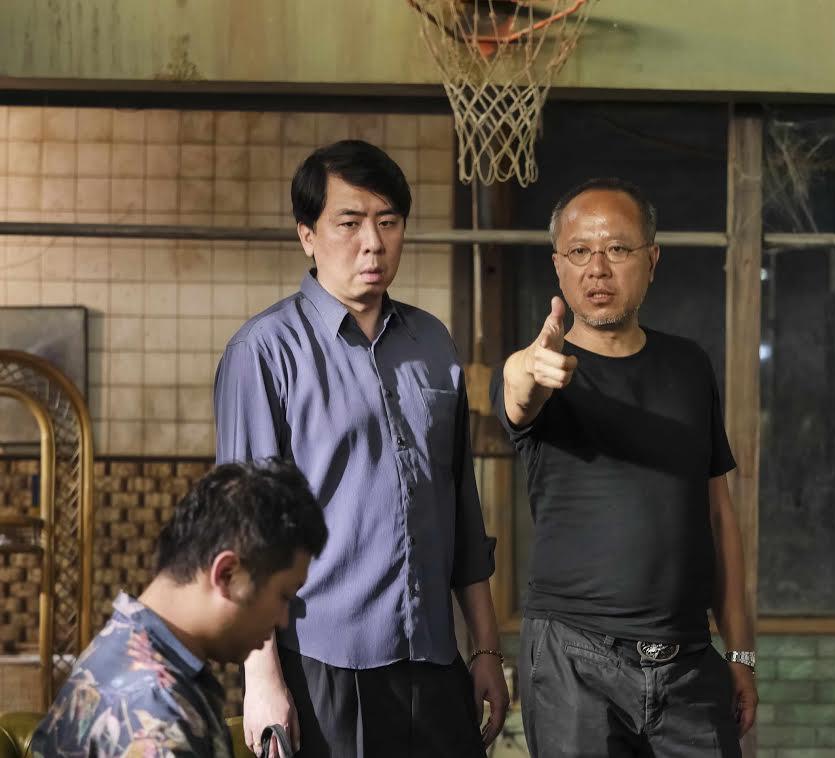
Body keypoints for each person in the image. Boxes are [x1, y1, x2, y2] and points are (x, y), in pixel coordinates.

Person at [214, 139, 508, 757]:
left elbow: (461, 505)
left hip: (434, 656)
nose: (372, 243)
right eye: (349, 223)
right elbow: (246, 534)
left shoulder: (432, 341)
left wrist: (485, 647)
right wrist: (261, 681)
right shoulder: (264, 352)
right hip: (323, 663)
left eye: (388, 222)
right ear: (307, 236)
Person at [491, 177, 758, 758]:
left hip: (688, 662)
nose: (598, 269)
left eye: (616, 249)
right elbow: (518, 391)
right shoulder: (545, 366)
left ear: (651, 260)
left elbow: (719, 517)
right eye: (579, 251)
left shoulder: (689, 366)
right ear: (558, 265)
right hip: (573, 662)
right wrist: (529, 370)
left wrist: (740, 653)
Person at [31, 458, 328, 758]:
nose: (283, 619)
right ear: (226, 573)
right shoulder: (157, 719)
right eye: (283, 596)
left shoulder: (119, 648)